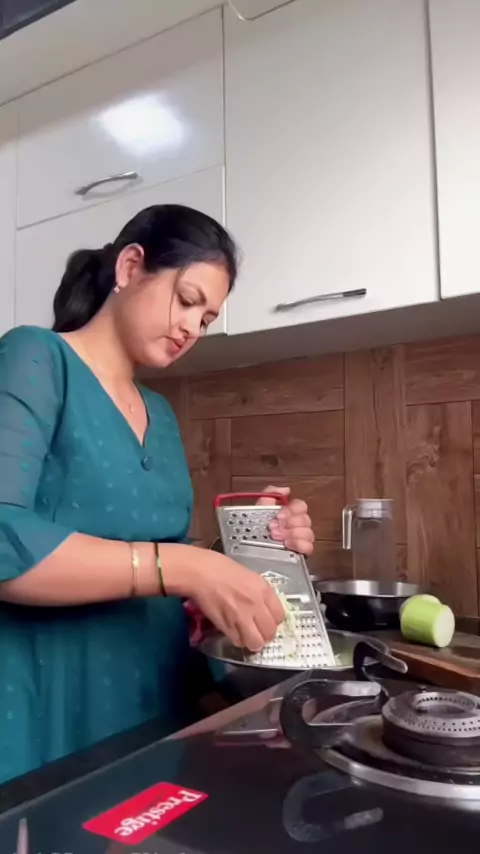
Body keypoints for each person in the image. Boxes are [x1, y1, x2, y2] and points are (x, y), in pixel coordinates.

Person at [0, 204, 315, 783]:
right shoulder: (35, 358)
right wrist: (188, 567)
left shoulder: (161, 415)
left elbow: (165, 565)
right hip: (50, 709)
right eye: (188, 300)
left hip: (152, 706)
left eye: (207, 319)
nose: (193, 328)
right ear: (130, 267)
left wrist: (250, 550)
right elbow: (4, 538)